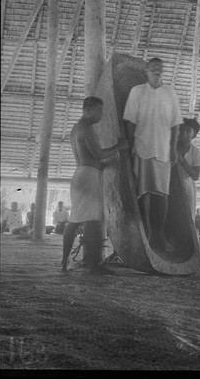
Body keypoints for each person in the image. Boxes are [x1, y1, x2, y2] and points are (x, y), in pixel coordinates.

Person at [61, 96, 129, 274]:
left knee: (74, 221)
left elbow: (89, 157)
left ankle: (63, 262)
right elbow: (98, 155)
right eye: (99, 111)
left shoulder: (75, 128)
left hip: (80, 175)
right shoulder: (88, 128)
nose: (101, 115)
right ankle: (93, 265)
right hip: (89, 177)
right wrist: (119, 146)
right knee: (92, 221)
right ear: (88, 110)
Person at [123, 57, 183, 252]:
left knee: (161, 195)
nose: (157, 72)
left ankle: (159, 235)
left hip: (163, 150)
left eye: (160, 69)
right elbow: (130, 122)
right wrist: (130, 148)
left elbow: (175, 124)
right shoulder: (137, 92)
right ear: (146, 71)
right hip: (141, 146)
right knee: (144, 193)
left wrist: (173, 148)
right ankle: (146, 232)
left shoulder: (170, 93)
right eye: (153, 69)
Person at [177, 119, 200, 220]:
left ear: (193, 135)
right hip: (171, 184)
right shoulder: (172, 147)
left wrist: (182, 160)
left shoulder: (196, 152)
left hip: (187, 187)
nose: (184, 133)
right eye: (182, 130)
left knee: (187, 216)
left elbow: (195, 176)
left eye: (188, 131)